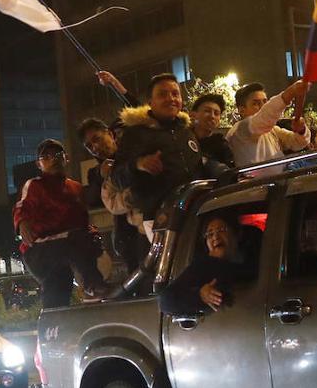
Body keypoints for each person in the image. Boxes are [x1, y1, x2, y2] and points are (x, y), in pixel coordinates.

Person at [12, 139, 107, 308]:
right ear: (38, 164)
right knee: (75, 241)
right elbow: (22, 206)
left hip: (68, 248)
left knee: (58, 288)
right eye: (46, 156)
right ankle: (93, 287)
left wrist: (92, 234)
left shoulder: (76, 187)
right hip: (39, 249)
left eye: (57, 154)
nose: (53, 159)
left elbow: (82, 221)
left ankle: (54, 325)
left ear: (66, 158)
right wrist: (22, 222)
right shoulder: (34, 185)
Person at [107, 72, 206, 223]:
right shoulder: (136, 133)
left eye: (175, 94)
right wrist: (138, 164)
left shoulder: (186, 131)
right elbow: (116, 177)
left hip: (195, 209)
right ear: (150, 102)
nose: (171, 99)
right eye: (162, 94)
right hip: (159, 218)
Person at [77, 117, 150, 275]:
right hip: (126, 232)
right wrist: (102, 176)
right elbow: (94, 200)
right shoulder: (96, 172)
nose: (95, 147)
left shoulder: (133, 153)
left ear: (110, 134)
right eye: (89, 146)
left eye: (97, 139)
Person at [159, 215, 239, 316]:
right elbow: (166, 301)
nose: (215, 237)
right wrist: (200, 296)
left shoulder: (256, 261)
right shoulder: (203, 265)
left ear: (235, 234)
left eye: (221, 230)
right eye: (210, 234)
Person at [226, 81, 311, 167]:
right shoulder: (239, 131)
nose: (263, 106)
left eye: (265, 102)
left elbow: (297, 143)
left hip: (282, 177)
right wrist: (290, 92)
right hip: (257, 180)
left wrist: (301, 130)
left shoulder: (272, 130)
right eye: (256, 103)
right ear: (242, 110)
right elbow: (265, 116)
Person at [189, 93, 235, 173]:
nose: (212, 116)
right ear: (193, 115)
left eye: (216, 113)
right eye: (207, 111)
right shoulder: (183, 138)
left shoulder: (221, 145)